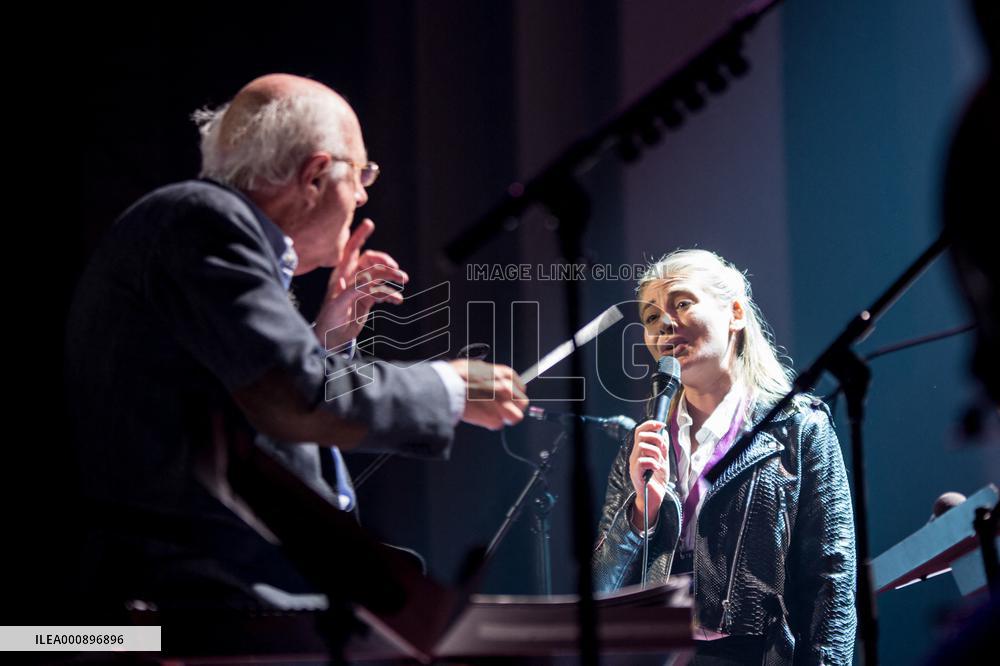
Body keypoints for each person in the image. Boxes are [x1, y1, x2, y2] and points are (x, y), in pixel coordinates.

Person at [64, 73, 528, 612]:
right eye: (360, 173)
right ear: (314, 176)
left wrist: (326, 341)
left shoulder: (201, 231)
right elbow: (293, 399)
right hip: (187, 606)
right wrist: (448, 387)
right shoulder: (204, 220)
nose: (360, 193)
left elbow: (257, 414)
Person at [593, 249, 856, 665]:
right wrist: (640, 513)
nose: (664, 324)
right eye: (650, 316)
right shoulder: (642, 442)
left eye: (681, 303)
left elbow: (832, 581)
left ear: (734, 312)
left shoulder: (797, 426)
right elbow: (601, 589)